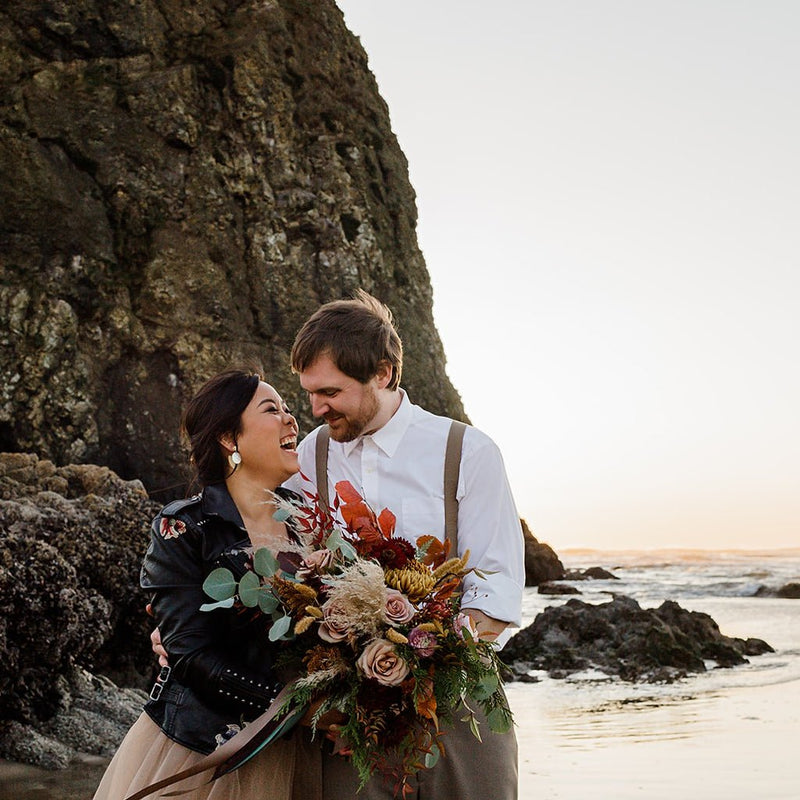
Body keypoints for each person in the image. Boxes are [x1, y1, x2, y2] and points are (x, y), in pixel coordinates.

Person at [287, 290, 524, 800]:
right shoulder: (311, 455)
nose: (315, 407)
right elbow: (287, 567)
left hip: (458, 704)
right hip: (348, 717)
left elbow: (497, 586)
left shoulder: (468, 452)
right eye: (308, 392)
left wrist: (420, 654)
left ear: (384, 373)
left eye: (330, 391)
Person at [93, 368, 322, 800]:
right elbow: (188, 653)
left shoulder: (310, 524)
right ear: (228, 438)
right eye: (272, 409)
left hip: (297, 748)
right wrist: (292, 707)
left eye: (290, 409)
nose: (292, 419)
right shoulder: (183, 527)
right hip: (203, 751)